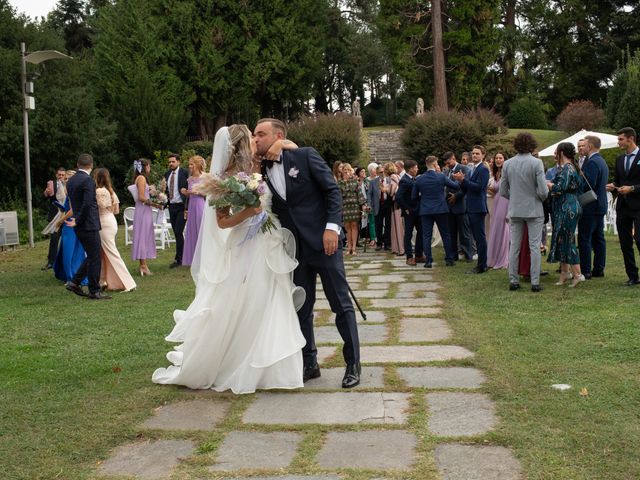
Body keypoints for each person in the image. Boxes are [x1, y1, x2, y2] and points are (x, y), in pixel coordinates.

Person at [153, 125, 305, 393]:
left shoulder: (259, 163)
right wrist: (248, 212)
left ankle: (270, 366)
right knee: (248, 300)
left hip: (268, 241)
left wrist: (281, 145)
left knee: (270, 298)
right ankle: (238, 361)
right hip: (245, 243)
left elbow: (294, 148)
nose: (255, 140)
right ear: (240, 144)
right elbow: (222, 222)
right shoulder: (223, 178)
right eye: (251, 137)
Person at [255, 118, 361, 389]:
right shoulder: (258, 172)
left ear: (278, 135)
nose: (256, 139)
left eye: (261, 134)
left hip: (324, 244)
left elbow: (332, 192)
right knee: (301, 307)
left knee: (340, 304)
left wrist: (332, 229)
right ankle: (309, 363)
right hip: (293, 249)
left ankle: (353, 363)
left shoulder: (304, 156)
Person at [501, 133, 549, 292]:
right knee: (534, 246)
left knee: (514, 245)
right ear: (532, 145)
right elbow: (543, 190)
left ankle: (513, 280)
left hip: (515, 209)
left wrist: (515, 198)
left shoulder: (507, 164)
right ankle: (535, 282)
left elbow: (503, 191)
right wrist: (539, 198)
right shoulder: (537, 163)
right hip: (534, 209)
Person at [64, 154, 111, 300]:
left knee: (92, 255)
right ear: (91, 165)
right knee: (95, 256)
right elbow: (88, 204)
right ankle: (94, 290)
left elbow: (76, 204)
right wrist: (78, 220)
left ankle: (75, 282)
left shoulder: (71, 181)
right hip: (87, 224)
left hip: (79, 225)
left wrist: (76, 220)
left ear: (78, 164)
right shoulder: (88, 181)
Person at [547, 142, 585, 287]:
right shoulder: (570, 167)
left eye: (557, 151)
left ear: (562, 152)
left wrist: (549, 185)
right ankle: (564, 273)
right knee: (562, 239)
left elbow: (558, 189)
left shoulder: (568, 168)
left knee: (568, 240)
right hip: (565, 206)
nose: (555, 154)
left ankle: (577, 274)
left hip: (567, 207)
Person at [606, 127, 640, 286]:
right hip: (623, 206)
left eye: (620, 139)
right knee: (625, 242)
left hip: (638, 205)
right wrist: (613, 185)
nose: (618, 142)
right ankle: (632, 276)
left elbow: (633, 184)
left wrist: (632, 188)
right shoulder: (620, 159)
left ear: (630, 139)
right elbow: (620, 181)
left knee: (639, 239)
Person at [93, 168, 136, 292]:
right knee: (102, 253)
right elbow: (116, 210)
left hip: (103, 222)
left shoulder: (99, 191)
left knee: (111, 252)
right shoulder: (110, 191)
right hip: (111, 220)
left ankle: (129, 282)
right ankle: (103, 280)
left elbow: (100, 206)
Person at [412, 155, 459, 268]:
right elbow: (455, 186)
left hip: (425, 210)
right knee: (445, 234)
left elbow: (413, 197)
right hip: (440, 209)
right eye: (437, 163)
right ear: (434, 164)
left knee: (426, 236)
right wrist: (459, 179)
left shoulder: (419, 179)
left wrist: (423, 200)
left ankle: (428, 260)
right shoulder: (441, 177)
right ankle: (449, 259)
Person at [453, 145, 490, 273]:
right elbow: (467, 187)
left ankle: (482, 265)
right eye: (473, 153)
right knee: (476, 236)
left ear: (483, 155)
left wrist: (464, 180)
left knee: (479, 238)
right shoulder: (472, 168)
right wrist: (460, 181)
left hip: (478, 207)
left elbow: (479, 187)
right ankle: (481, 264)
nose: (474, 155)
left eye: (477, 154)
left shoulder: (483, 169)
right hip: (471, 206)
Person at [578, 135, 609, 279]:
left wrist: (578, 181)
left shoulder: (592, 162)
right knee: (598, 238)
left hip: (590, 205)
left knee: (585, 238)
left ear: (590, 146)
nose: (582, 147)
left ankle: (586, 270)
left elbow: (588, 184)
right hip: (600, 205)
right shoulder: (602, 161)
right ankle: (599, 268)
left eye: (584, 145)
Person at [53, 170, 87, 286]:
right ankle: (71, 275)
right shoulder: (73, 190)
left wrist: (60, 221)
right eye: (65, 178)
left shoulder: (72, 190)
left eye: (68, 178)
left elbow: (72, 210)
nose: (65, 180)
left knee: (70, 251)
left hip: (70, 224)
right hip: (74, 224)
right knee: (72, 250)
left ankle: (71, 277)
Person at [130, 158, 161, 276]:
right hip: (143, 209)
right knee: (143, 236)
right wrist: (155, 204)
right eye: (149, 166)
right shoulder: (142, 178)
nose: (150, 169)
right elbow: (141, 197)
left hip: (144, 210)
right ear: (145, 166)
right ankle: (143, 266)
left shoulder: (140, 178)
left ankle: (143, 264)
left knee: (145, 235)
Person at [443, 151, 474, 261]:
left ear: (453, 158)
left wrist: (456, 196)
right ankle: (453, 255)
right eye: (446, 163)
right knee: (451, 233)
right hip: (449, 206)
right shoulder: (446, 171)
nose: (448, 164)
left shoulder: (463, 168)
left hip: (461, 205)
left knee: (464, 233)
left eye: (449, 162)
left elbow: (466, 187)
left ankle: (468, 255)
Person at [396, 160, 424, 265]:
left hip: (418, 211)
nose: (417, 169)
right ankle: (409, 257)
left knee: (421, 232)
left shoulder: (413, 179)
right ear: (411, 169)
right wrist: (406, 208)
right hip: (409, 212)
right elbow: (398, 197)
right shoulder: (405, 180)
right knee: (408, 234)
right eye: (416, 167)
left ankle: (419, 255)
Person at [181, 155, 207, 266]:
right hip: (191, 205)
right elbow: (189, 194)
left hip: (200, 204)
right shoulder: (190, 179)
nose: (190, 166)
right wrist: (186, 192)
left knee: (200, 229)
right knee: (191, 230)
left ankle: (203, 259)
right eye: (189, 164)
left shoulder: (204, 177)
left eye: (192, 164)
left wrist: (197, 192)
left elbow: (207, 193)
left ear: (197, 165)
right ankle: (192, 259)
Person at [164, 154, 189, 268]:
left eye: (173, 161)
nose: (170, 164)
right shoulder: (167, 174)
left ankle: (179, 259)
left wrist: (187, 207)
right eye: (169, 162)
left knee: (179, 231)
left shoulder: (185, 173)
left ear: (178, 162)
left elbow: (189, 189)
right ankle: (182, 257)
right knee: (176, 233)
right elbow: (166, 190)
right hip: (171, 206)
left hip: (182, 206)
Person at [487, 152, 510, 269]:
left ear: (505, 160)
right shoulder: (496, 173)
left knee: (504, 229)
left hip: (505, 202)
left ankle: (503, 259)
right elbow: (495, 190)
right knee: (495, 229)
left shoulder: (508, 173)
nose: (498, 160)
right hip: (496, 202)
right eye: (496, 158)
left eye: (500, 158)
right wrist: (487, 188)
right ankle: (494, 257)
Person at [338, 163, 366, 255]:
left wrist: (363, 205)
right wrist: (345, 181)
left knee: (354, 226)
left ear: (351, 171)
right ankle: (349, 247)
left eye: (348, 169)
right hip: (345, 206)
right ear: (342, 171)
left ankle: (354, 247)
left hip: (354, 206)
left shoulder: (355, 181)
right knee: (347, 227)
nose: (346, 171)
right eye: (344, 170)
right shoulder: (340, 182)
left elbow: (359, 193)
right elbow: (342, 194)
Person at [43, 166, 67, 270]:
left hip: (67, 216)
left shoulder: (69, 184)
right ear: (56, 175)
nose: (61, 176)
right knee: (54, 239)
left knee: (67, 239)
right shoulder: (52, 184)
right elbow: (45, 196)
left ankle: (64, 262)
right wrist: (46, 193)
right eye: (59, 175)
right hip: (55, 216)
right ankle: (51, 262)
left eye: (63, 175)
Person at [387, 162, 405, 256]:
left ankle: (400, 249)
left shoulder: (393, 177)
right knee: (398, 226)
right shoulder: (397, 176)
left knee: (397, 226)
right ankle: (397, 248)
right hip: (397, 204)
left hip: (396, 204)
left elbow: (391, 191)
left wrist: (385, 189)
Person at [365, 163, 380, 248]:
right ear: (371, 170)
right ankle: (373, 238)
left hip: (380, 205)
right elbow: (369, 194)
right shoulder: (368, 180)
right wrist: (368, 204)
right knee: (372, 222)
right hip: (372, 205)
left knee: (380, 222)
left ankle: (380, 238)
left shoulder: (380, 179)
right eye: (375, 169)